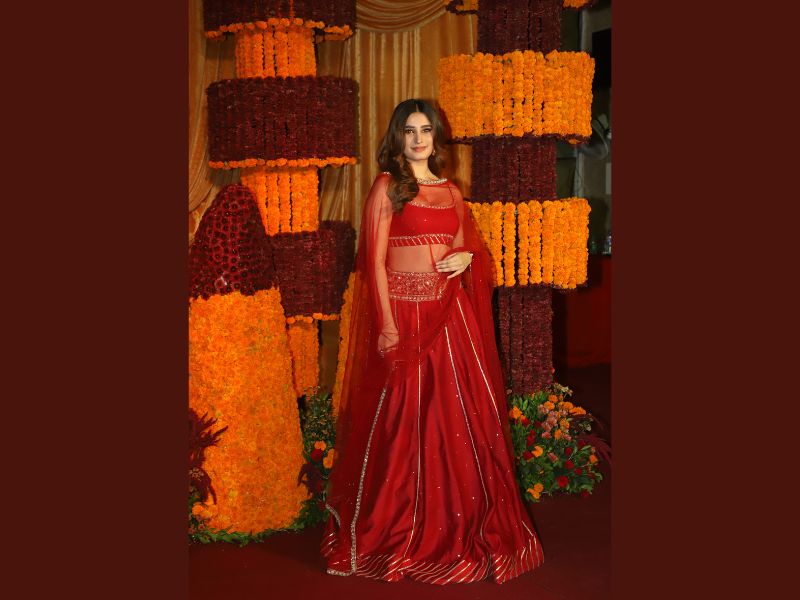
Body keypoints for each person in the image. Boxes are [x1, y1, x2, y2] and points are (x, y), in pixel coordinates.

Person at [321, 99, 544, 585]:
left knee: (460, 417)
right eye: (410, 131)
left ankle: (461, 524)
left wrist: (465, 258)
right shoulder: (388, 187)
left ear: (436, 137)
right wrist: (387, 325)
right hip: (405, 316)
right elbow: (373, 263)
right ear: (397, 138)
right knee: (403, 418)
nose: (419, 139)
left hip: (450, 318)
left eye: (426, 130)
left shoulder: (452, 191)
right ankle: (394, 523)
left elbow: (466, 246)